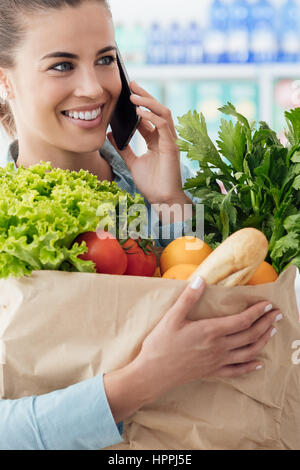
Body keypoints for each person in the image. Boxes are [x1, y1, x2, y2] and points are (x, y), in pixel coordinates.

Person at [0, 0, 282, 450]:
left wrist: (167, 200)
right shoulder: (9, 222)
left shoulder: (161, 185)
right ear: (5, 79)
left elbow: (200, 290)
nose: (93, 88)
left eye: (106, 59)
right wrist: (141, 381)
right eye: (61, 65)